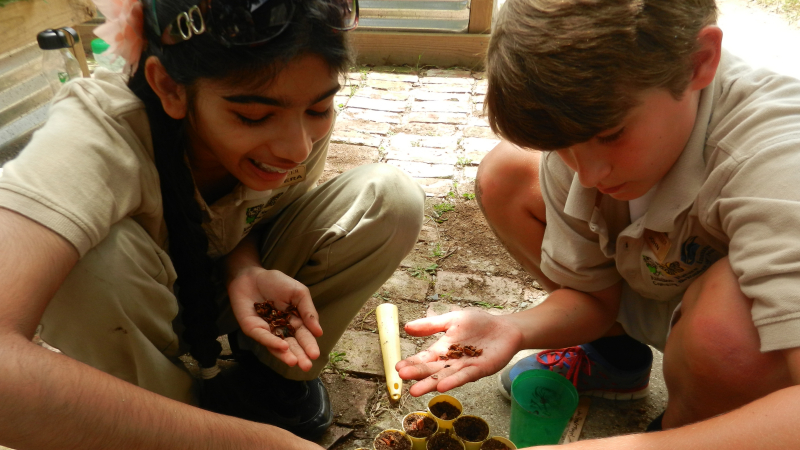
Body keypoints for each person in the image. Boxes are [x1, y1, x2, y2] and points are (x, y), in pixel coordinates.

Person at [0, 0, 425, 448]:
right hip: (136, 308)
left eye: (319, 110)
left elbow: (259, 212)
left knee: (389, 196)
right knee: (95, 261)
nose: (297, 149)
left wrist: (243, 269)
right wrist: (248, 443)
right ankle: (165, 411)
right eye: (255, 116)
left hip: (215, 286)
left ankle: (271, 377)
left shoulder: (289, 126)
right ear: (170, 88)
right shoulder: (91, 135)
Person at [396, 0, 800, 446]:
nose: (588, 176)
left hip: (735, 328)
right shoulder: (589, 144)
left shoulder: (780, 154)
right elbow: (593, 298)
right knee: (509, 172)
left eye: (610, 136)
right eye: (564, 147)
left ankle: (687, 419)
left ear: (699, 62)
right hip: (658, 283)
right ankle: (617, 359)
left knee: (724, 328)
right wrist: (515, 328)